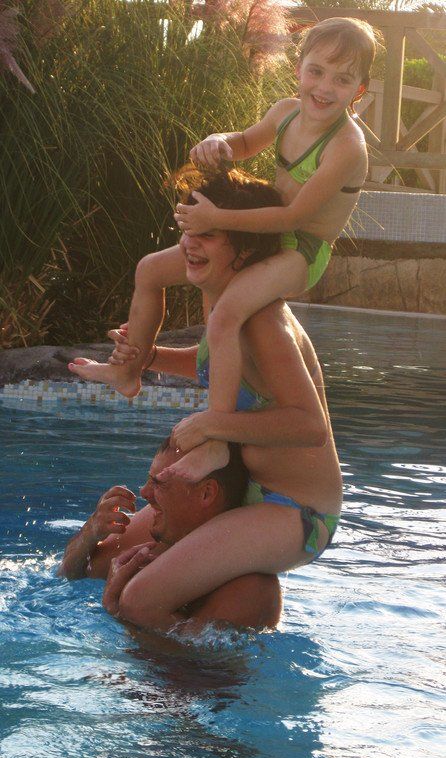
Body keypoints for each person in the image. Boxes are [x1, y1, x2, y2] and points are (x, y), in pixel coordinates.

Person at [68, 17, 377, 481]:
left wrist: (216, 219)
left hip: (301, 251)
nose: (324, 87)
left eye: (342, 79)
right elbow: (245, 143)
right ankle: (128, 369)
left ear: (359, 91)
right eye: (316, 71)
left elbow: (293, 219)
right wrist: (219, 142)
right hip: (262, 232)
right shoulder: (285, 112)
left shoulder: (347, 147)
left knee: (227, 311)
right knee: (150, 269)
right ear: (298, 68)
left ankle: (217, 437)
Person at [90, 168, 343, 635]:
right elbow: (220, 366)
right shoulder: (222, 298)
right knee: (102, 561)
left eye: (207, 236)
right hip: (239, 489)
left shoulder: (263, 320)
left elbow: (310, 426)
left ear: (243, 251)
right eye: (189, 231)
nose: (190, 245)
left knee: (139, 600)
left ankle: (175, 677)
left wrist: (213, 425)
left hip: (292, 510)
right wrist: (148, 357)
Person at [58, 438, 282, 630]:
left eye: (159, 483)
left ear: (206, 493)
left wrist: (118, 614)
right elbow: (70, 573)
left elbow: (188, 666)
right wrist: (90, 532)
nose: (144, 492)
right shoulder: (160, 524)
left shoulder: (250, 590)